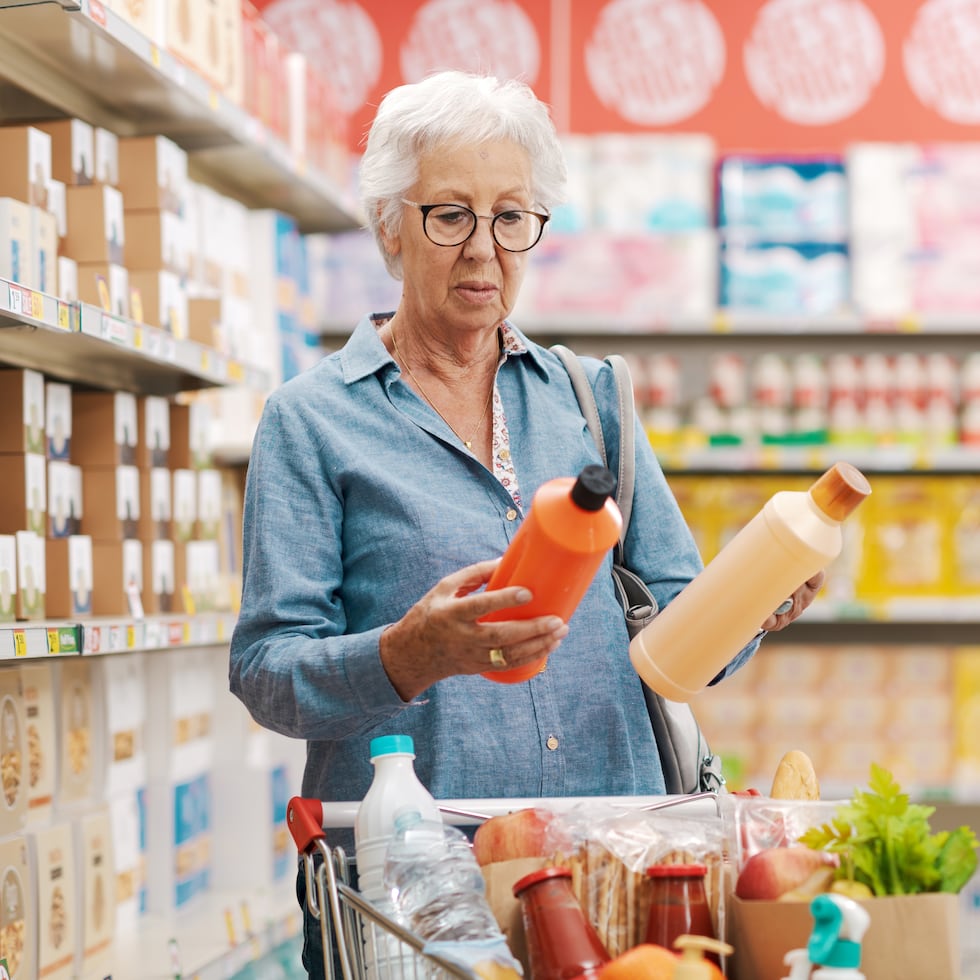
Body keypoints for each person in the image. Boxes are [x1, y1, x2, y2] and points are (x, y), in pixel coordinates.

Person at [229, 70, 823, 976]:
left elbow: (673, 634)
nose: (485, 249)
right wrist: (410, 652)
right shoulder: (312, 421)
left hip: (608, 878)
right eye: (451, 215)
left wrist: (748, 605)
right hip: (417, 898)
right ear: (391, 226)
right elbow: (267, 672)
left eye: (512, 216)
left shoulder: (595, 401)